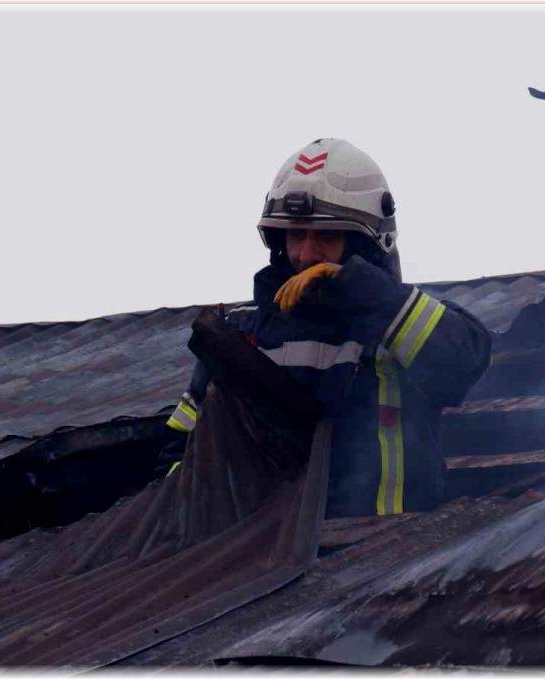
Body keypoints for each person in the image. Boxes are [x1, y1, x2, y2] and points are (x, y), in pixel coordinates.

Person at [161, 138, 491, 518]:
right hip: (263, 566)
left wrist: (360, 288)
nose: (306, 254)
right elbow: (180, 454)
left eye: (327, 236)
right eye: (296, 235)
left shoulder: (398, 322)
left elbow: (467, 363)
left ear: (367, 245)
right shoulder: (239, 336)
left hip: (392, 558)